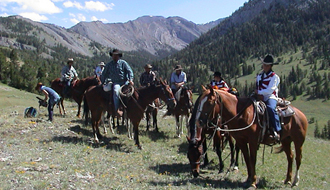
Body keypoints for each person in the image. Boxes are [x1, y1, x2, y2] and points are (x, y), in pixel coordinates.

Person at [255, 54, 281, 141]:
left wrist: (259, 92)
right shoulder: (259, 76)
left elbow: (270, 90)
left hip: (270, 97)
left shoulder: (274, 77)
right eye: (263, 64)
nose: (264, 66)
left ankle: (276, 129)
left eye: (266, 65)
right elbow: (257, 86)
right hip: (259, 96)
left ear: (270, 66)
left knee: (270, 108)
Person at [101, 49, 134, 116]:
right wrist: (102, 82)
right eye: (114, 55)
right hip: (116, 83)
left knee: (132, 93)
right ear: (112, 56)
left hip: (125, 82)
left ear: (119, 56)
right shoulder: (109, 65)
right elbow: (104, 74)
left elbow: (129, 71)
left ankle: (133, 109)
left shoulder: (123, 63)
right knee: (116, 91)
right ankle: (116, 110)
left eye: (116, 55)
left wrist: (131, 79)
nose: (115, 57)